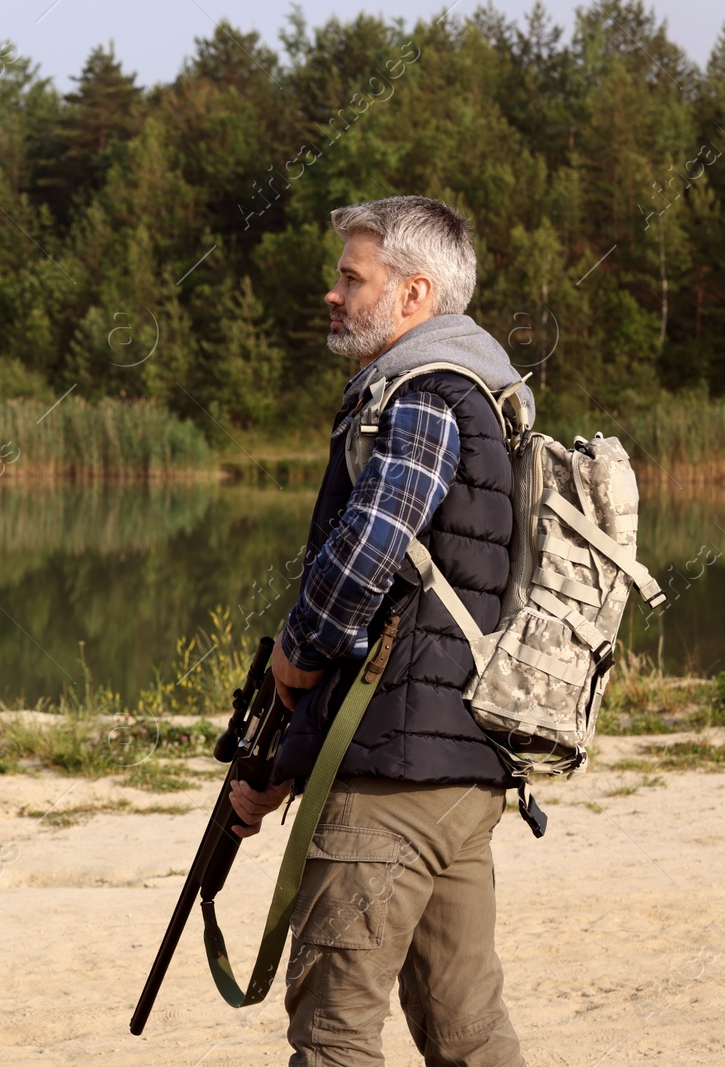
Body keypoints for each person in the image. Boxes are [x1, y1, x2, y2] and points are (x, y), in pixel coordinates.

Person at [228, 195, 532, 1066]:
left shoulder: (426, 390)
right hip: (459, 773)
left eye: (350, 276)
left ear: (413, 294)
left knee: (333, 1037)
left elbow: (370, 548)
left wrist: (297, 643)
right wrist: (282, 768)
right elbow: (409, 621)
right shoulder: (483, 394)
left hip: (392, 783)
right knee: (469, 1034)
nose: (333, 293)